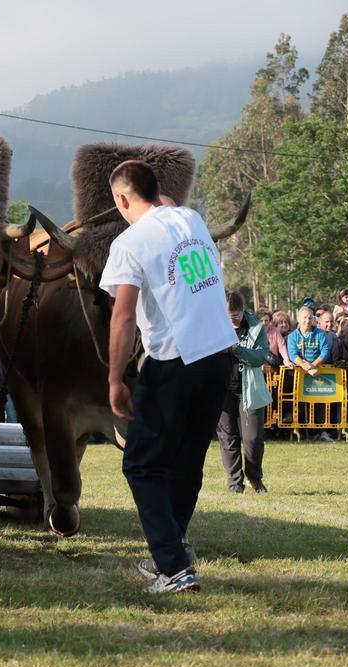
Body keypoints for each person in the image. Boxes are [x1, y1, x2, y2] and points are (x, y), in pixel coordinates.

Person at [100, 160, 236, 594]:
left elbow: (122, 316)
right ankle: (173, 553)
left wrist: (115, 379)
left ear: (121, 199)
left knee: (142, 464)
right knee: (188, 458)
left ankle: (175, 570)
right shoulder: (190, 219)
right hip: (219, 353)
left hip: (175, 358)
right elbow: (171, 206)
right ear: (157, 191)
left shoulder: (129, 242)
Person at [217, 291, 272, 494]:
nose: (234, 319)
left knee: (253, 439)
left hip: (250, 390)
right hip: (222, 391)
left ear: (243, 309)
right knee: (228, 438)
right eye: (230, 316)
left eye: (237, 314)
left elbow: (261, 356)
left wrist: (236, 350)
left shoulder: (256, 327)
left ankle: (255, 478)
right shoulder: (216, 327)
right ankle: (234, 483)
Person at [286, 306, 330, 377]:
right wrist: (305, 367)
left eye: (310, 318)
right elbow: (293, 354)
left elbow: (325, 351)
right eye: (305, 317)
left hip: (319, 370)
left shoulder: (321, 334)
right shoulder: (292, 336)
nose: (307, 320)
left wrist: (313, 365)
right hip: (299, 373)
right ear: (299, 319)